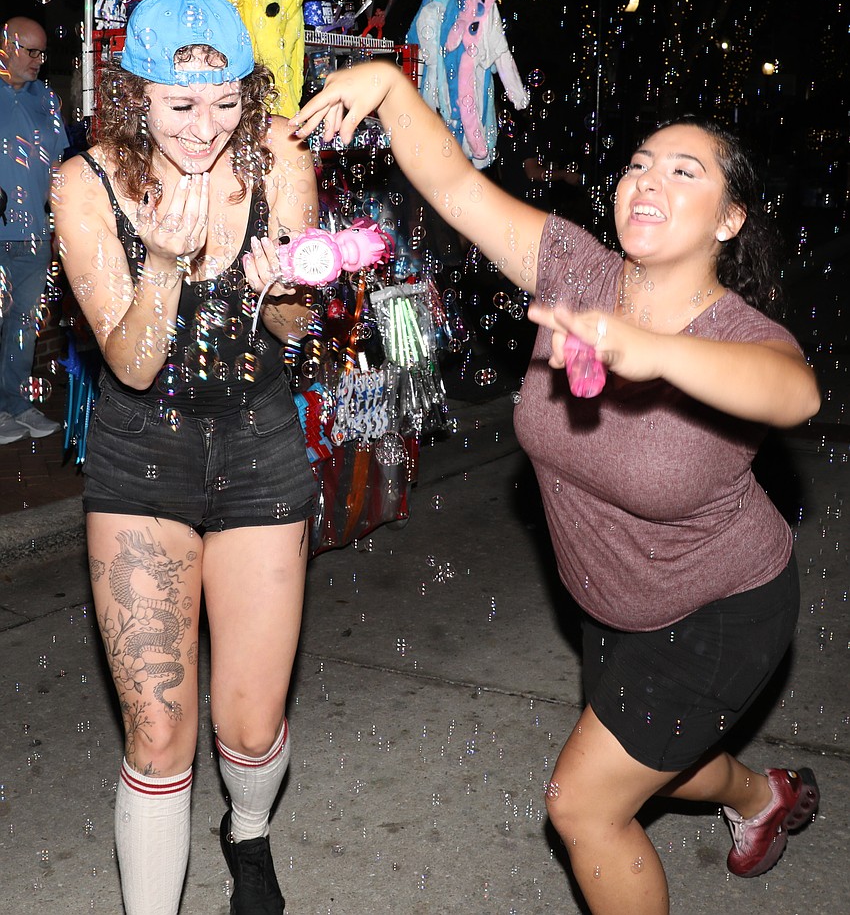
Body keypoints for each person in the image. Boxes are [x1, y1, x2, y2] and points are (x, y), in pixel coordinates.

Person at [290, 60, 822, 915]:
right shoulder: (574, 269)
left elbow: (794, 393)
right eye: (641, 163)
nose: (649, 180)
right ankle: (762, 798)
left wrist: (649, 353)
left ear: (729, 218)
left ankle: (755, 797)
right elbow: (456, 187)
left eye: (686, 172)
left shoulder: (740, 337)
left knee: (583, 806)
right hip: (611, 603)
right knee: (667, 759)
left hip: (724, 608)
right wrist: (390, 90)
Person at [51, 0, 320, 915]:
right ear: (135, 94)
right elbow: (128, 364)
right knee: (159, 736)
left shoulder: (281, 156)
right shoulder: (83, 183)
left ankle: (247, 832)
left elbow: (291, 329)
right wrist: (162, 263)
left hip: (259, 448)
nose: (207, 127)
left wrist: (286, 289)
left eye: (227, 99)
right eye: (180, 104)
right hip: (141, 459)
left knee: (248, 728)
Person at [0, 16, 68, 444]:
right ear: (5, 46)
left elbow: (58, 169)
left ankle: (14, 402)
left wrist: (61, 222)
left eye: (43, 52)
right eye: (31, 51)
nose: (39, 61)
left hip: (34, 234)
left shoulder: (47, 99)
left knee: (24, 323)